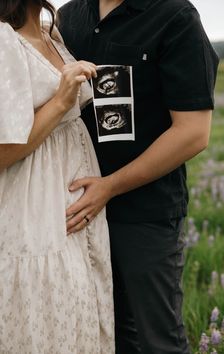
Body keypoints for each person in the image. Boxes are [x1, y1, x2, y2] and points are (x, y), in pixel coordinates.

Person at [58, 0, 219, 353]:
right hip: (77, 209)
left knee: (158, 339)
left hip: (147, 212)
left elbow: (193, 132)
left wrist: (109, 187)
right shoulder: (69, 16)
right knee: (105, 335)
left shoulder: (175, 16)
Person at [0, 1, 114, 353]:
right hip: (35, 209)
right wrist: (61, 102)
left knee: (82, 314)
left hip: (77, 203)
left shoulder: (53, 32)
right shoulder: (4, 39)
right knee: (47, 320)